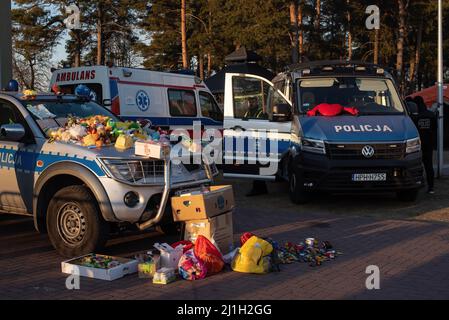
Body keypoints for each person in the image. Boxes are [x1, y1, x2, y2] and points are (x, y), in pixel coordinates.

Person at [413, 96, 437, 194]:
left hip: (418, 145)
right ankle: (431, 187)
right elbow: (435, 128)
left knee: (417, 166)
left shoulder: (415, 116)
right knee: (429, 166)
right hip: (429, 143)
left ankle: (418, 184)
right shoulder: (431, 115)